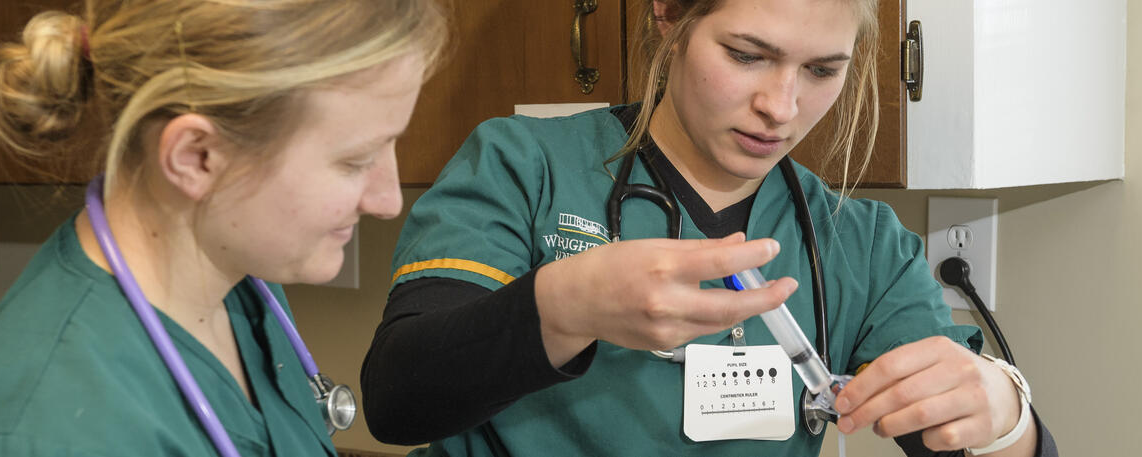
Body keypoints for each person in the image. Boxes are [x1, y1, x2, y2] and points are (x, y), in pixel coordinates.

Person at [361, 0, 1060, 456]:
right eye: (747, 55)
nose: (780, 106)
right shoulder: (524, 165)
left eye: (821, 70)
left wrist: (1004, 415)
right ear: (669, 15)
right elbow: (398, 396)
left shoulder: (863, 246)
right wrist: (566, 304)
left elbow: (959, 432)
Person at [0, 1, 444, 455]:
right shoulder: (42, 431)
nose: (388, 200)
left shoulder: (243, 288)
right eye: (356, 160)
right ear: (197, 157)